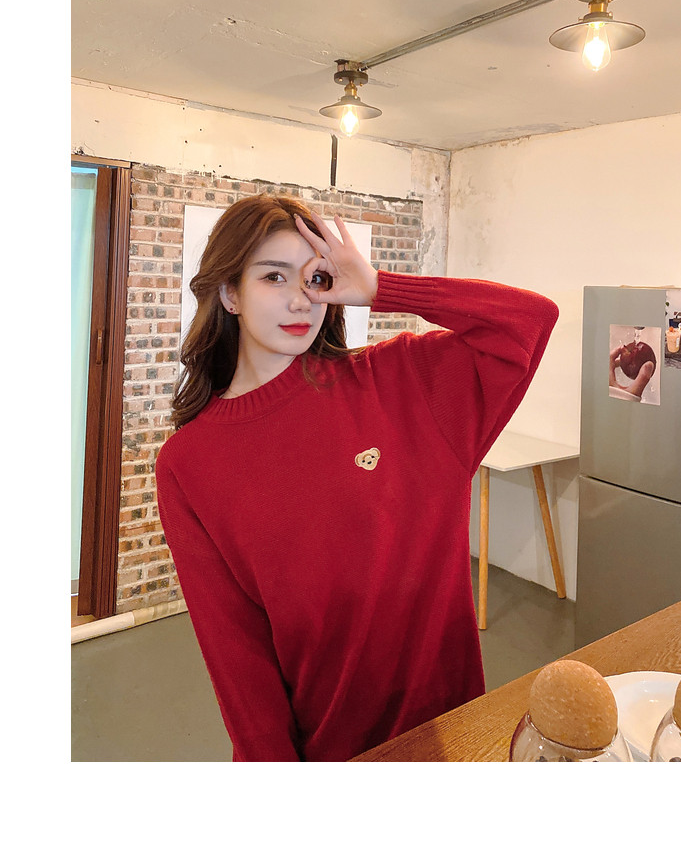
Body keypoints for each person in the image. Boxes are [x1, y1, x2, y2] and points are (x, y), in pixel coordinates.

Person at [155, 194, 559, 761]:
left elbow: (530, 319)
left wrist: (382, 287)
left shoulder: (401, 381)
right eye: (274, 276)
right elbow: (235, 651)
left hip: (454, 733)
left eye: (316, 278)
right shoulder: (189, 463)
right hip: (331, 750)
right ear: (229, 294)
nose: (301, 299)